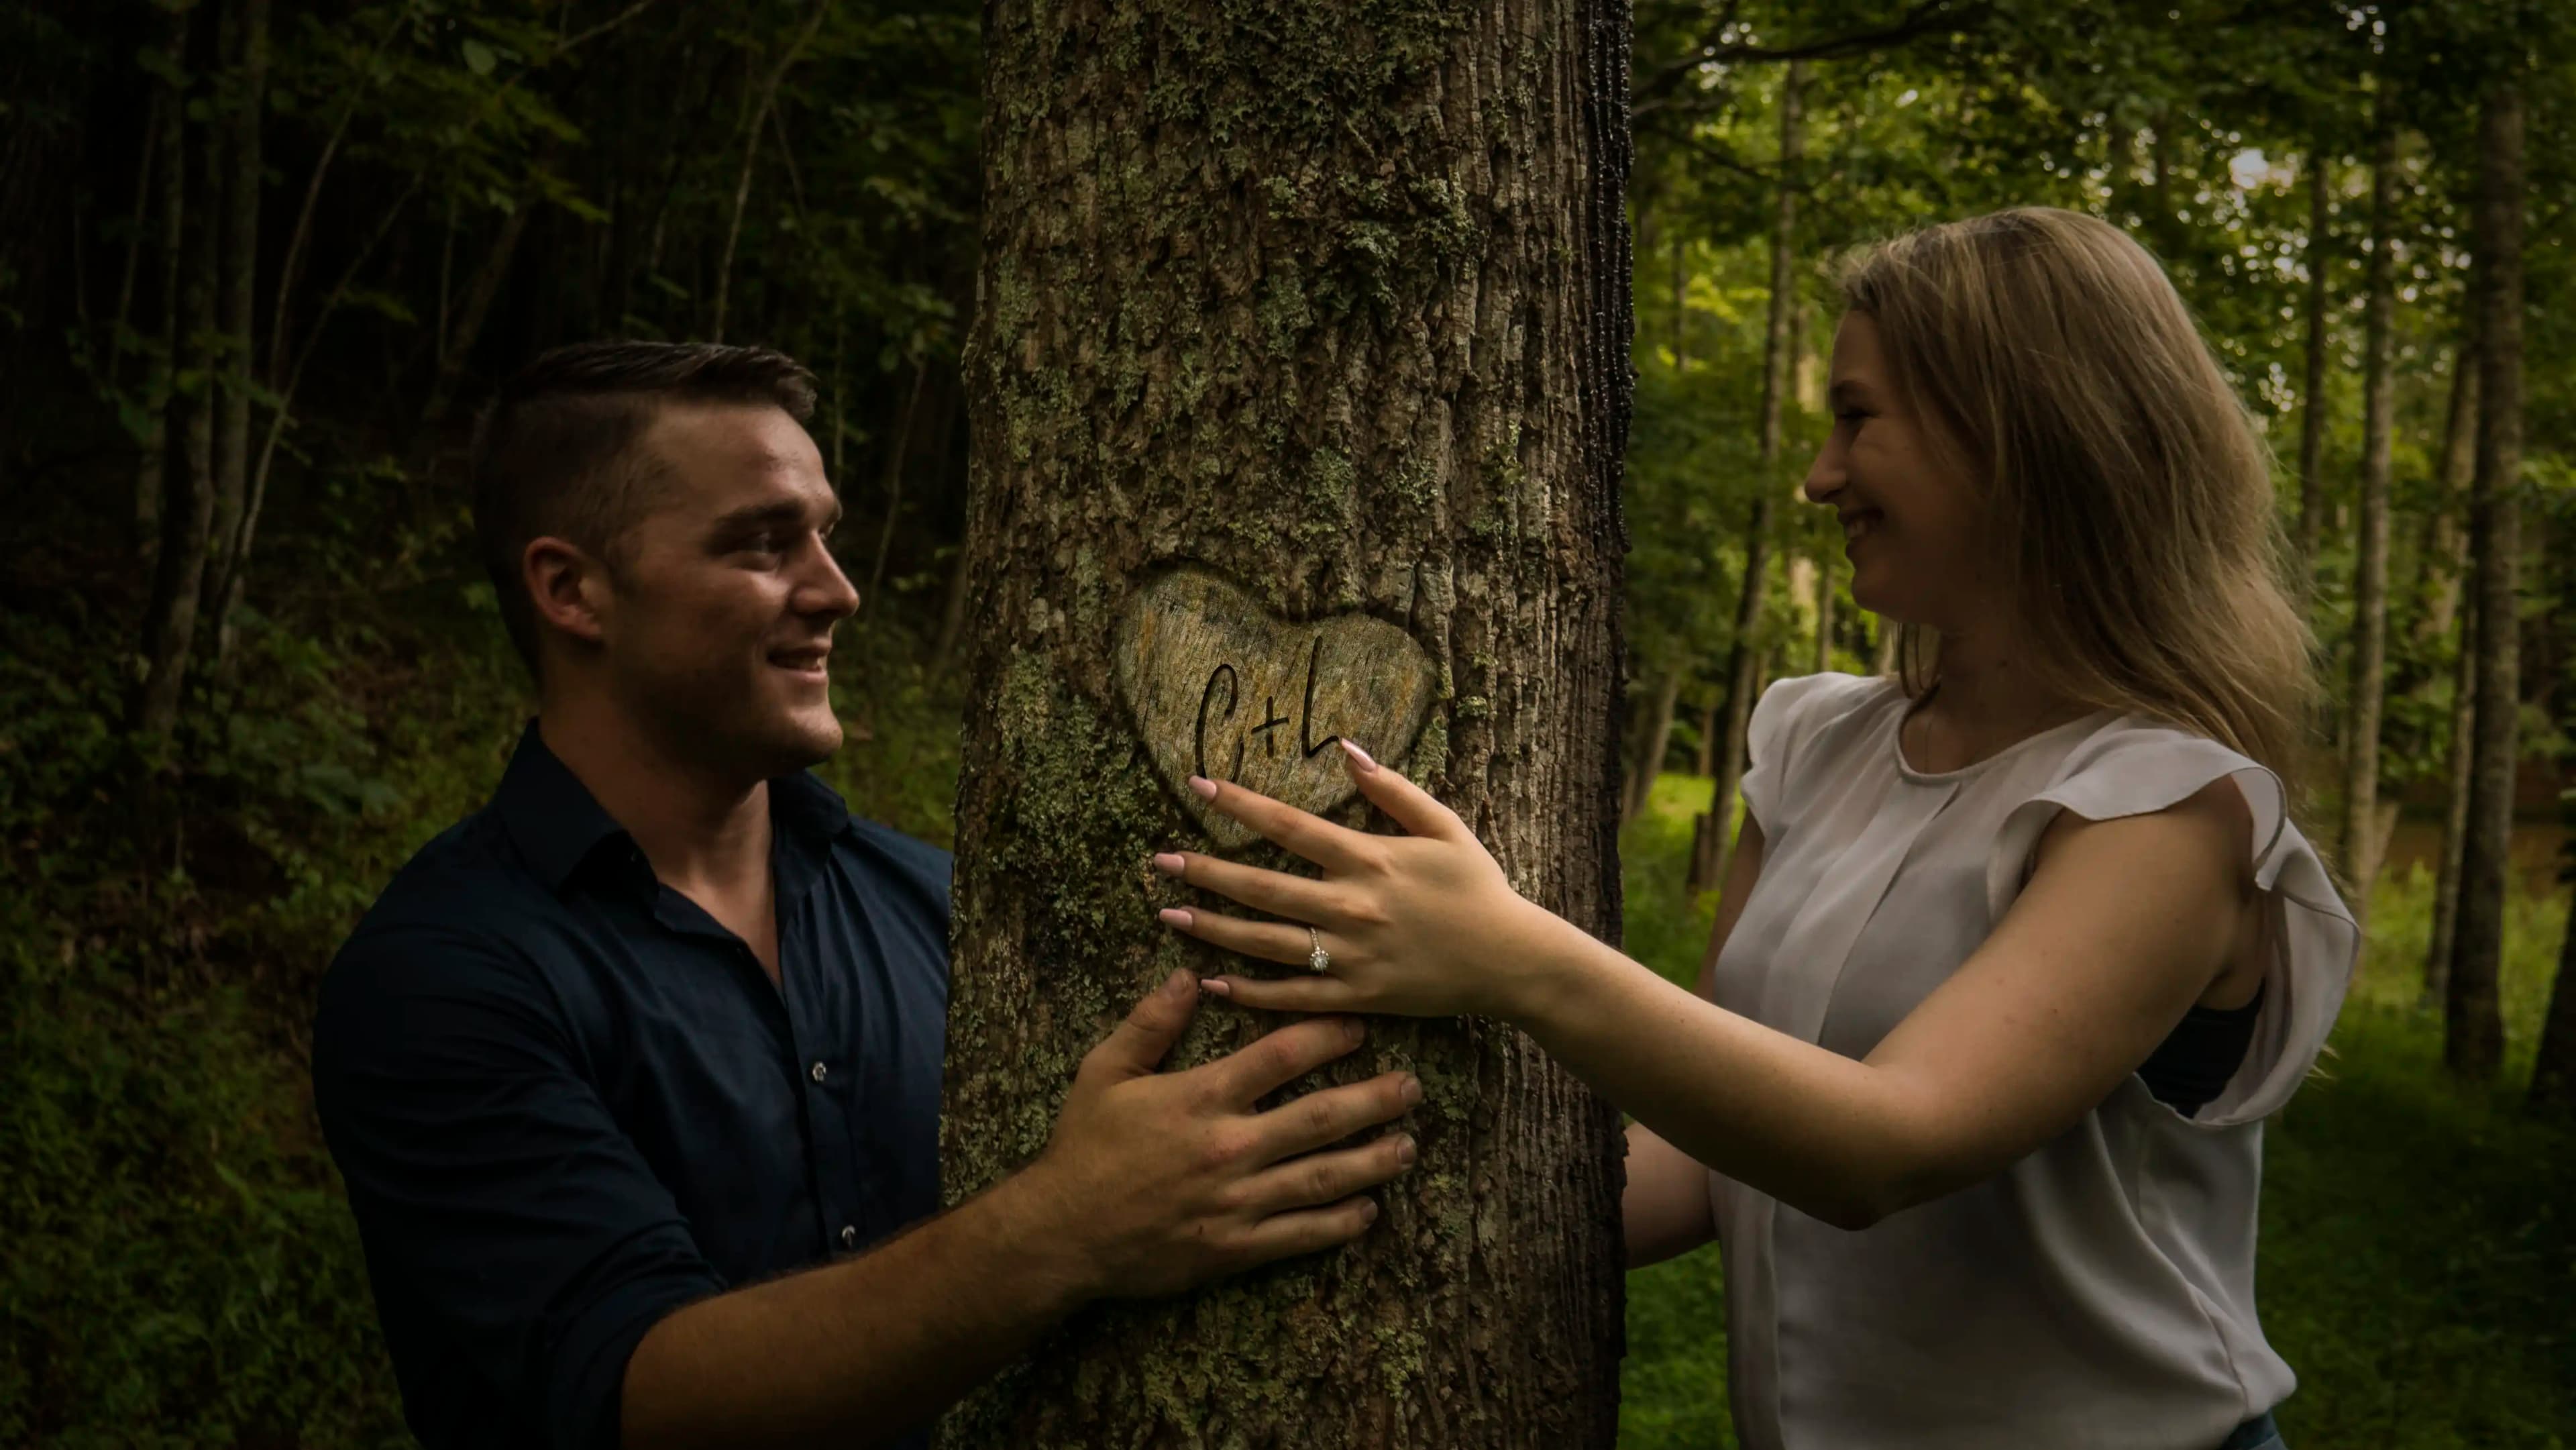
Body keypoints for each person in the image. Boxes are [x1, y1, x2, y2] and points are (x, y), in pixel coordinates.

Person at [1152, 207, 2357, 1450]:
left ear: (2020, 433)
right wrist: (1358, 1242)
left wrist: (1512, 956)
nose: (1820, 475)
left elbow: (1884, 1146)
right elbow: (1711, 1138)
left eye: (1857, 417)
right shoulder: (1816, 745)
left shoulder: (2165, 808)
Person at [310, 341, 1424, 1450]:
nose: (837, 591)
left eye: (826, 536)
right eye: (760, 544)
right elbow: (637, 1397)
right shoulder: (442, 979)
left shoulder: (929, 902)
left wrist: (1525, 980)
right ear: (571, 589)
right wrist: (1064, 1230)